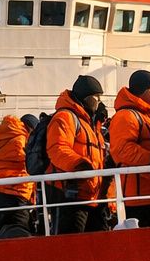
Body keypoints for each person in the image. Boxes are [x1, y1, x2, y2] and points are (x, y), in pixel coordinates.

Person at [46, 75, 109, 234]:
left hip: (92, 197)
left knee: (97, 244)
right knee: (69, 245)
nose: (99, 101)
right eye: (96, 97)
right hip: (70, 196)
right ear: (86, 98)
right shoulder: (65, 117)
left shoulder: (90, 123)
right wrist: (79, 165)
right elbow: (57, 148)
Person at [109, 69, 150, 227]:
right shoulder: (126, 116)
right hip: (138, 198)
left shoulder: (147, 117)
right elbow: (122, 149)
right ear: (140, 92)